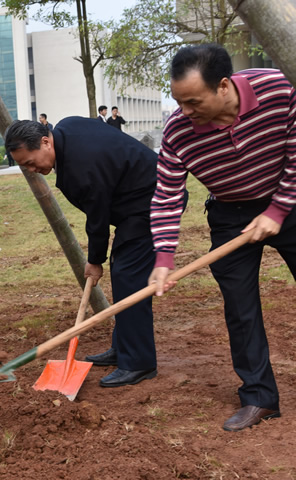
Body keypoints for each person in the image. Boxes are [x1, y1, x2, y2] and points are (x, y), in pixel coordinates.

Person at [149, 44, 296, 432]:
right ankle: (259, 397)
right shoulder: (178, 131)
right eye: (179, 102)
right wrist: (164, 258)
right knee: (240, 307)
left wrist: (278, 210)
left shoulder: (280, 89)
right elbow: (167, 194)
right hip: (230, 213)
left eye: (194, 102)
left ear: (225, 86)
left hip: (289, 198)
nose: (185, 112)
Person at [5, 118, 170, 388]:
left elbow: (98, 218)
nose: (32, 170)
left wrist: (94, 261)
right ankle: (124, 347)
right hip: (134, 200)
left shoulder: (81, 168)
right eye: (25, 167)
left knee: (129, 275)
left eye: (31, 162)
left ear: (46, 142)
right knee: (124, 273)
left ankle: (139, 363)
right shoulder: (66, 129)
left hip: (155, 201)